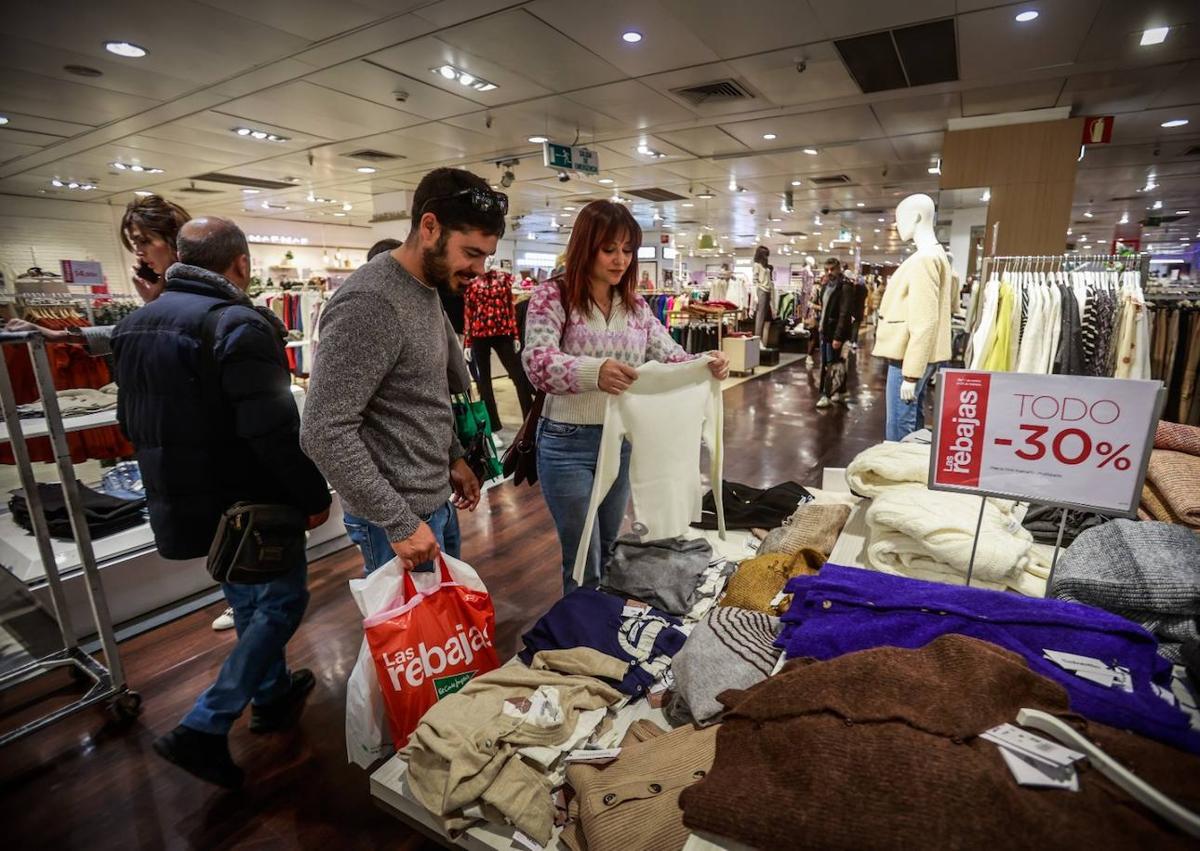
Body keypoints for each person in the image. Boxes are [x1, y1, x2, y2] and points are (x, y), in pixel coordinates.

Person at [109, 217, 332, 789]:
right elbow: (272, 430)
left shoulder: (134, 324)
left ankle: (274, 693)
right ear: (241, 265)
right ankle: (205, 725)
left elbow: (127, 420)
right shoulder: (237, 323)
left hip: (184, 497)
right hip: (249, 500)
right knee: (281, 603)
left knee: (246, 598)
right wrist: (311, 494)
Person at [301, 168, 504, 575]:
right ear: (430, 227)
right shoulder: (370, 303)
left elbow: (422, 395)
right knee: (410, 637)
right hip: (396, 521)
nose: (480, 270)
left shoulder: (425, 288)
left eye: (485, 256)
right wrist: (399, 522)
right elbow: (323, 429)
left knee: (444, 633)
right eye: (472, 253)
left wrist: (453, 456)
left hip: (432, 503)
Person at [522, 200, 730, 593]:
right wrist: (593, 371)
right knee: (581, 556)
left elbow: (672, 356)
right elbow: (536, 362)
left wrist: (707, 362)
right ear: (586, 247)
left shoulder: (635, 306)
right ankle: (578, 639)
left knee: (609, 545)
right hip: (567, 443)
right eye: (609, 249)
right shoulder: (553, 297)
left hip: (620, 443)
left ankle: (603, 629)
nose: (620, 259)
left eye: (628, 249)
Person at [4, 194, 190, 354]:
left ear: (174, 240)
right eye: (135, 244)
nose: (139, 252)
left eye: (144, 241)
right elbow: (127, 333)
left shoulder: (198, 289)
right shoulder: (167, 290)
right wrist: (56, 334)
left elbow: (168, 335)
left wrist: (154, 305)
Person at [464, 268, 534, 433]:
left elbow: (510, 308)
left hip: (503, 333)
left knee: (519, 377)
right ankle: (492, 426)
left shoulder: (504, 279)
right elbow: (468, 311)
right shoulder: (471, 282)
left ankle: (530, 422)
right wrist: (467, 343)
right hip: (478, 334)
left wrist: (515, 336)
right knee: (484, 383)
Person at [816, 257, 855, 409]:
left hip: (835, 333)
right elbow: (824, 309)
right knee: (831, 363)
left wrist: (838, 336)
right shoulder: (826, 287)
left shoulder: (845, 287)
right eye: (827, 269)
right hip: (824, 330)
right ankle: (838, 390)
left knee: (832, 364)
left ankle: (826, 394)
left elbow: (844, 314)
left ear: (839, 269)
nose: (829, 272)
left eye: (832, 269)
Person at [752, 245, 773, 338]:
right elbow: (755, 280)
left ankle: (762, 340)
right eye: (765, 255)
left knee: (766, 317)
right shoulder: (757, 265)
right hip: (761, 290)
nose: (767, 257)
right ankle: (757, 338)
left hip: (768, 290)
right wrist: (755, 296)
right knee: (760, 316)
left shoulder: (766, 266)